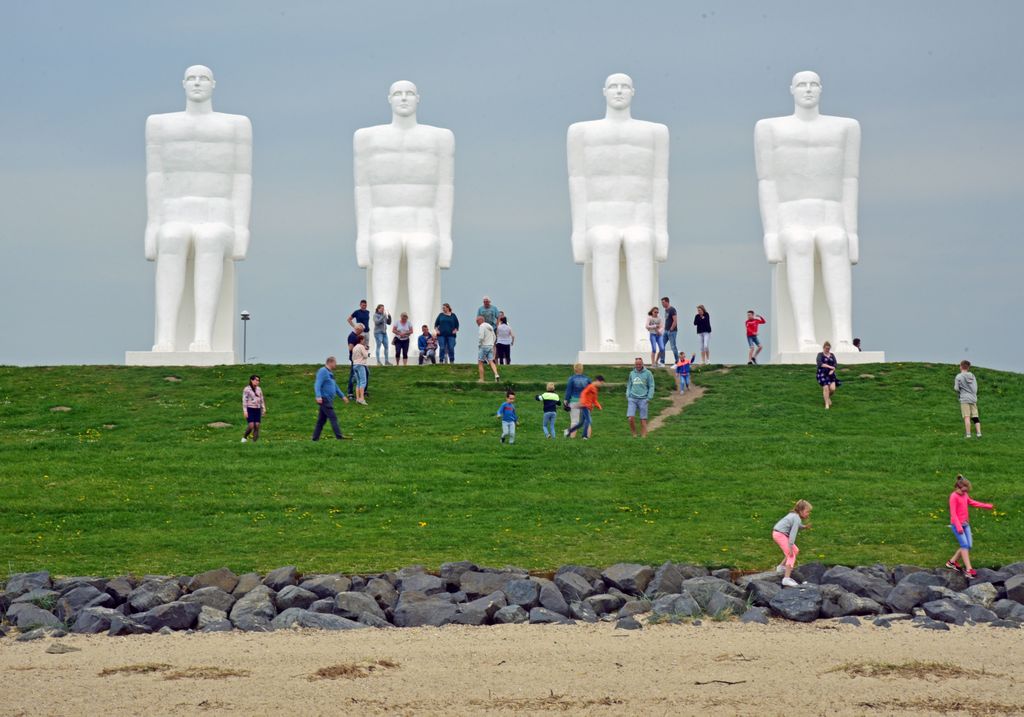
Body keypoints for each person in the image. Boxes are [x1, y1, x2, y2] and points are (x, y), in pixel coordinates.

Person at [144, 65, 252, 354]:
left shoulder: (235, 125)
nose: (197, 83)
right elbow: (155, 176)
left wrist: (242, 229)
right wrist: (152, 227)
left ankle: (203, 334)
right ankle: (165, 336)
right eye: (191, 78)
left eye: (203, 78)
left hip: (218, 215)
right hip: (175, 213)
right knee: (171, 238)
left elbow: (242, 178)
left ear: (213, 84)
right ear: (183, 83)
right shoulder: (160, 124)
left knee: (210, 238)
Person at [755, 70, 860, 352]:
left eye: (814, 84)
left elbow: (850, 181)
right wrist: (771, 233)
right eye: (802, 84)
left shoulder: (845, 127)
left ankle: (842, 334)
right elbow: (767, 181)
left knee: (835, 242)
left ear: (821, 89)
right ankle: (804, 333)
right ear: (792, 90)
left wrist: (852, 233)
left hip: (830, 213)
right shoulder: (770, 128)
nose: (808, 89)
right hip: (791, 215)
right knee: (799, 243)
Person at [568, 73, 669, 352]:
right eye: (614, 86)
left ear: (633, 92)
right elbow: (577, 182)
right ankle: (607, 334)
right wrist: (578, 233)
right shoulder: (582, 132)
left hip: (639, 217)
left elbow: (660, 182)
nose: (619, 91)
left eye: (625, 86)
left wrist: (662, 232)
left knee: (640, 241)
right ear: (604, 91)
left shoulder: (655, 132)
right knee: (605, 241)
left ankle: (642, 333)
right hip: (600, 218)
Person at [354, 81, 454, 337]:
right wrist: (362, 238)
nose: (404, 98)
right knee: (385, 247)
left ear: (418, 98)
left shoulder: (440, 138)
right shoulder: (367, 138)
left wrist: (446, 239)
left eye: (409, 93)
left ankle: (422, 332)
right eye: (398, 94)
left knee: (422, 248)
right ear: (389, 99)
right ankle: (384, 333)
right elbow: (362, 189)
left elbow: (445, 188)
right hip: (383, 221)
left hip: (423, 221)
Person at [946, 475, 994, 578]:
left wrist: (986, 506)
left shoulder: (964, 494)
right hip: (957, 525)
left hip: (966, 524)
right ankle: (969, 570)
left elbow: (971, 502)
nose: (964, 493)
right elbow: (953, 514)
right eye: (963, 491)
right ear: (957, 487)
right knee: (964, 545)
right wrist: (959, 527)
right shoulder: (953, 496)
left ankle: (951, 562)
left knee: (969, 546)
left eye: (966, 491)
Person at [773, 499, 812, 587]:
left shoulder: (794, 515)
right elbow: (793, 533)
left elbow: (797, 525)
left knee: (796, 550)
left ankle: (781, 567)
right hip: (780, 535)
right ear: (801, 511)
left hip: (779, 533)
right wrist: (790, 546)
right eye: (807, 512)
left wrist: (804, 527)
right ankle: (786, 579)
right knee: (791, 554)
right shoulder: (796, 518)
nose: (808, 514)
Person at [312, 356, 350, 440]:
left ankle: (315, 438)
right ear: (330, 362)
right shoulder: (323, 371)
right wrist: (318, 396)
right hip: (324, 399)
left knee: (321, 421)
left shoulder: (330, 373)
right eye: (335, 363)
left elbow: (335, 386)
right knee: (333, 417)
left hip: (329, 399)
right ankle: (339, 436)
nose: (336, 364)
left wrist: (342, 396)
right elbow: (317, 384)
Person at [567, 375, 604, 440]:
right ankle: (584, 436)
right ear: (597, 381)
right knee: (589, 420)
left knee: (581, 423)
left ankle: (568, 431)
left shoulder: (595, 389)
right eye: (601, 383)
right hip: (585, 406)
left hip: (588, 407)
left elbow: (594, 400)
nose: (601, 385)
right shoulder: (590, 386)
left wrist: (599, 406)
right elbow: (583, 393)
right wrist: (583, 403)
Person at [626, 358, 656, 438]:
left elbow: (651, 385)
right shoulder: (632, 373)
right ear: (634, 364)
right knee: (630, 418)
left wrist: (649, 397)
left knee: (643, 419)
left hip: (643, 399)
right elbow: (629, 385)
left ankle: (644, 436)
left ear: (642, 364)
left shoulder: (648, 373)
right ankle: (634, 434)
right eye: (636, 364)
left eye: (640, 364)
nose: (638, 366)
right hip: (632, 398)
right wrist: (628, 395)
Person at [955, 360, 982, 439]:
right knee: (975, 416)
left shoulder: (958, 376)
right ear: (968, 367)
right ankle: (979, 433)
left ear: (961, 366)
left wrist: (961, 390)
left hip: (964, 399)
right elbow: (975, 388)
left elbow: (956, 388)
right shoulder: (972, 376)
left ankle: (968, 435)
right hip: (973, 398)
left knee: (967, 417)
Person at [563, 364, 591, 438]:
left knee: (574, 421)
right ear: (582, 369)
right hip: (585, 401)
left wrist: (566, 400)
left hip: (574, 401)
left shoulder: (571, 379)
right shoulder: (587, 379)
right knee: (587, 420)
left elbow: (568, 391)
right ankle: (587, 437)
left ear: (574, 369)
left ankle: (572, 437)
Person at [241, 374, 266, 442]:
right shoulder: (247, 389)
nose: (257, 382)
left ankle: (254, 443)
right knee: (251, 425)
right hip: (250, 408)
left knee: (257, 425)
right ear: (251, 380)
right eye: (256, 380)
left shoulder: (259, 389)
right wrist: (245, 411)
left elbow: (261, 399)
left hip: (257, 409)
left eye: (258, 380)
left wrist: (263, 408)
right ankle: (244, 438)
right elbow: (244, 400)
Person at [476, 316, 500, 383]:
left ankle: (481, 379)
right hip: (490, 346)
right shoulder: (490, 326)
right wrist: (492, 343)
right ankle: (496, 375)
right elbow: (494, 336)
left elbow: (481, 337)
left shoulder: (482, 326)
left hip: (484, 346)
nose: (477, 323)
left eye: (477, 322)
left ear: (480, 320)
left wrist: (479, 344)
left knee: (480, 362)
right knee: (491, 361)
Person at [345, 324, 367, 398]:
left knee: (365, 373)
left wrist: (363, 347)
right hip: (355, 359)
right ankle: (350, 393)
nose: (361, 332)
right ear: (357, 329)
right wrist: (360, 348)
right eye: (361, 331)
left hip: (359, 360)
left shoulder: (356, 336)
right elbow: (350, 348)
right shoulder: (352, 336)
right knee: (353, 376)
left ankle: (363, 391)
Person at [816, 341, 838, 409]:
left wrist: (832, 370)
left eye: (828, 348)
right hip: (822, 373)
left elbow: (835, 364)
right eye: (826, 348)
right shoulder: (820, 354)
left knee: (833, 389)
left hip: (831, 374)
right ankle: (826, 404)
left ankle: (827, 397)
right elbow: (820, 363)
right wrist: (830, 367)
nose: (827, 350)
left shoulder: (832, 355)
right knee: (825, 387)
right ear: (823, 348)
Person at [352, 335, 370, 404]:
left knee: (358, 382)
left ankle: (358, 398)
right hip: (361, 365)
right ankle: (362, 399)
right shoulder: (361, 346)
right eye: (363, 339)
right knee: (363, 382)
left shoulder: (354, 347)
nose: (364, 341)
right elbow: (365, 355)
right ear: (361, 340)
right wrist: (367, 350)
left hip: (355, 365)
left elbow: (353, 357)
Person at [661, 296, 679, 364]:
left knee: (673, 346)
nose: (662, 304)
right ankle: (662, 361)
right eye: (662, 303)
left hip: (672, 331)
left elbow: (675, 320)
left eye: (663, 302)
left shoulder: (672, 309)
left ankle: (677, 361)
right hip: (666, 331)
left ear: (667, 302)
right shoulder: (666, 310)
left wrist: (671, 329)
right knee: (662, 345)